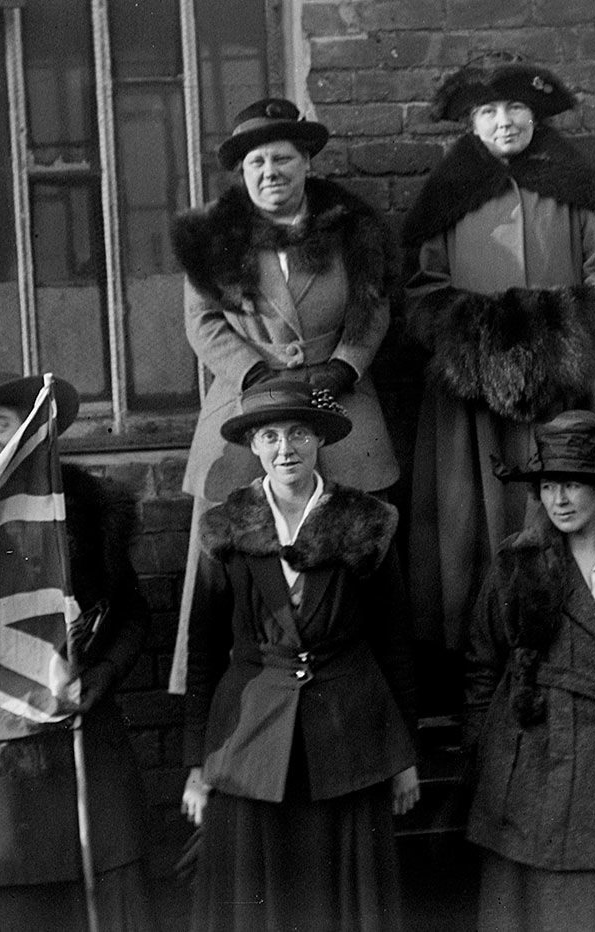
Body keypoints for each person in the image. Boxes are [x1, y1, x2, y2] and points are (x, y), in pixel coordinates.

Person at [404, 55, 595, 657]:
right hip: (475, 393)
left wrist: (568, 335)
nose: (505, 122)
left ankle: (589, 644)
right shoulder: (448, 198)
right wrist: (475, 344)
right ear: (470, 125)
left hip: (569, 386)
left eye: (516, 109)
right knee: (481, 514)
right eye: (488, 112)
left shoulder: (571, 190)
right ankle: (487, 657)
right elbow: (424, 291)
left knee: (577, 504)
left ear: (535, 115)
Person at [0, 370, 156, 931]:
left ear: (28, 432)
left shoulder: (84, 512)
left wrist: (101, 674)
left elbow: (131, 613)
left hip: (86, 755)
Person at [168, 96, 400, 691]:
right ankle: (219, 706)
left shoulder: (353, 230)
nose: (270, 173)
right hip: (247, 401)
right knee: (224, 545)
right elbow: (203, 323)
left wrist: (346, 366)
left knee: (358, 537)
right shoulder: (213, 238)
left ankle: (363, 691)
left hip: (337, 398)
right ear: (242, 174)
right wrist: (253, 374)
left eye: (283, 159)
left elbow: (373, 308)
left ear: (306, 163)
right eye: (256, 164)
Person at [181, 378, 420, 932]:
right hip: (248, 744)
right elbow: (204, 651)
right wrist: (198, 764)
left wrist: (404, 754)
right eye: (270, 435)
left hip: (351, 739)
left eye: (298, 433)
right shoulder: (225, 526)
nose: (285, 449)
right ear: (254, 446)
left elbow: (394, 642)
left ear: (318, 440)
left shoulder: (367, 522)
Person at [464, 411, 595, 932]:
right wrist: (487, 764)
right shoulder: (515, 566)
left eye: (574, 484)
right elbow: (481, 669)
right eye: (548, 485)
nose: (558, 499)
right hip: (538, 764)